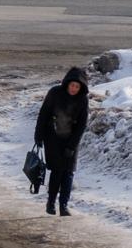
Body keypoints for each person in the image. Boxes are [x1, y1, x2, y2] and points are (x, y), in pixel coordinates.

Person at [34, 67, 92, 216]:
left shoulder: (82, 100)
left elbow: (81, 125)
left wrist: (72, 146)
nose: (74, 89)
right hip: (52, 137)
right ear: (67, 83)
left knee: (69, 172)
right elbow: (43, 114)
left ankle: (64, 205)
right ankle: (51, 202)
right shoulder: (55, 93)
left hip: (71, 139)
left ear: (81, 88)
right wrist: (38, 136)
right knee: (57, 171)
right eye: (72, 85)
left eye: (77, 87)